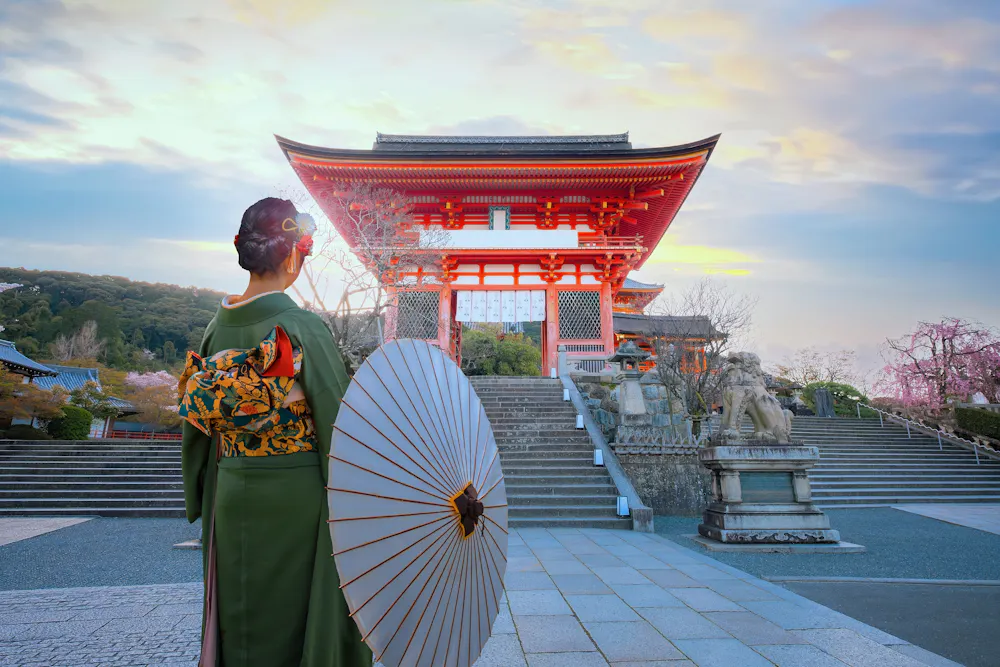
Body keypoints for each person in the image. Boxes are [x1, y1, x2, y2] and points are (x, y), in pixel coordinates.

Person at [179, 198, 371, 667]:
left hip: (230, 487)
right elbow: (341, 423)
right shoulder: (301, 325)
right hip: (299, 497)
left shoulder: (215, 328)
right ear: (291, 256)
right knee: (301, 619)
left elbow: (197, 429)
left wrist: (201, 491)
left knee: (238, 616)